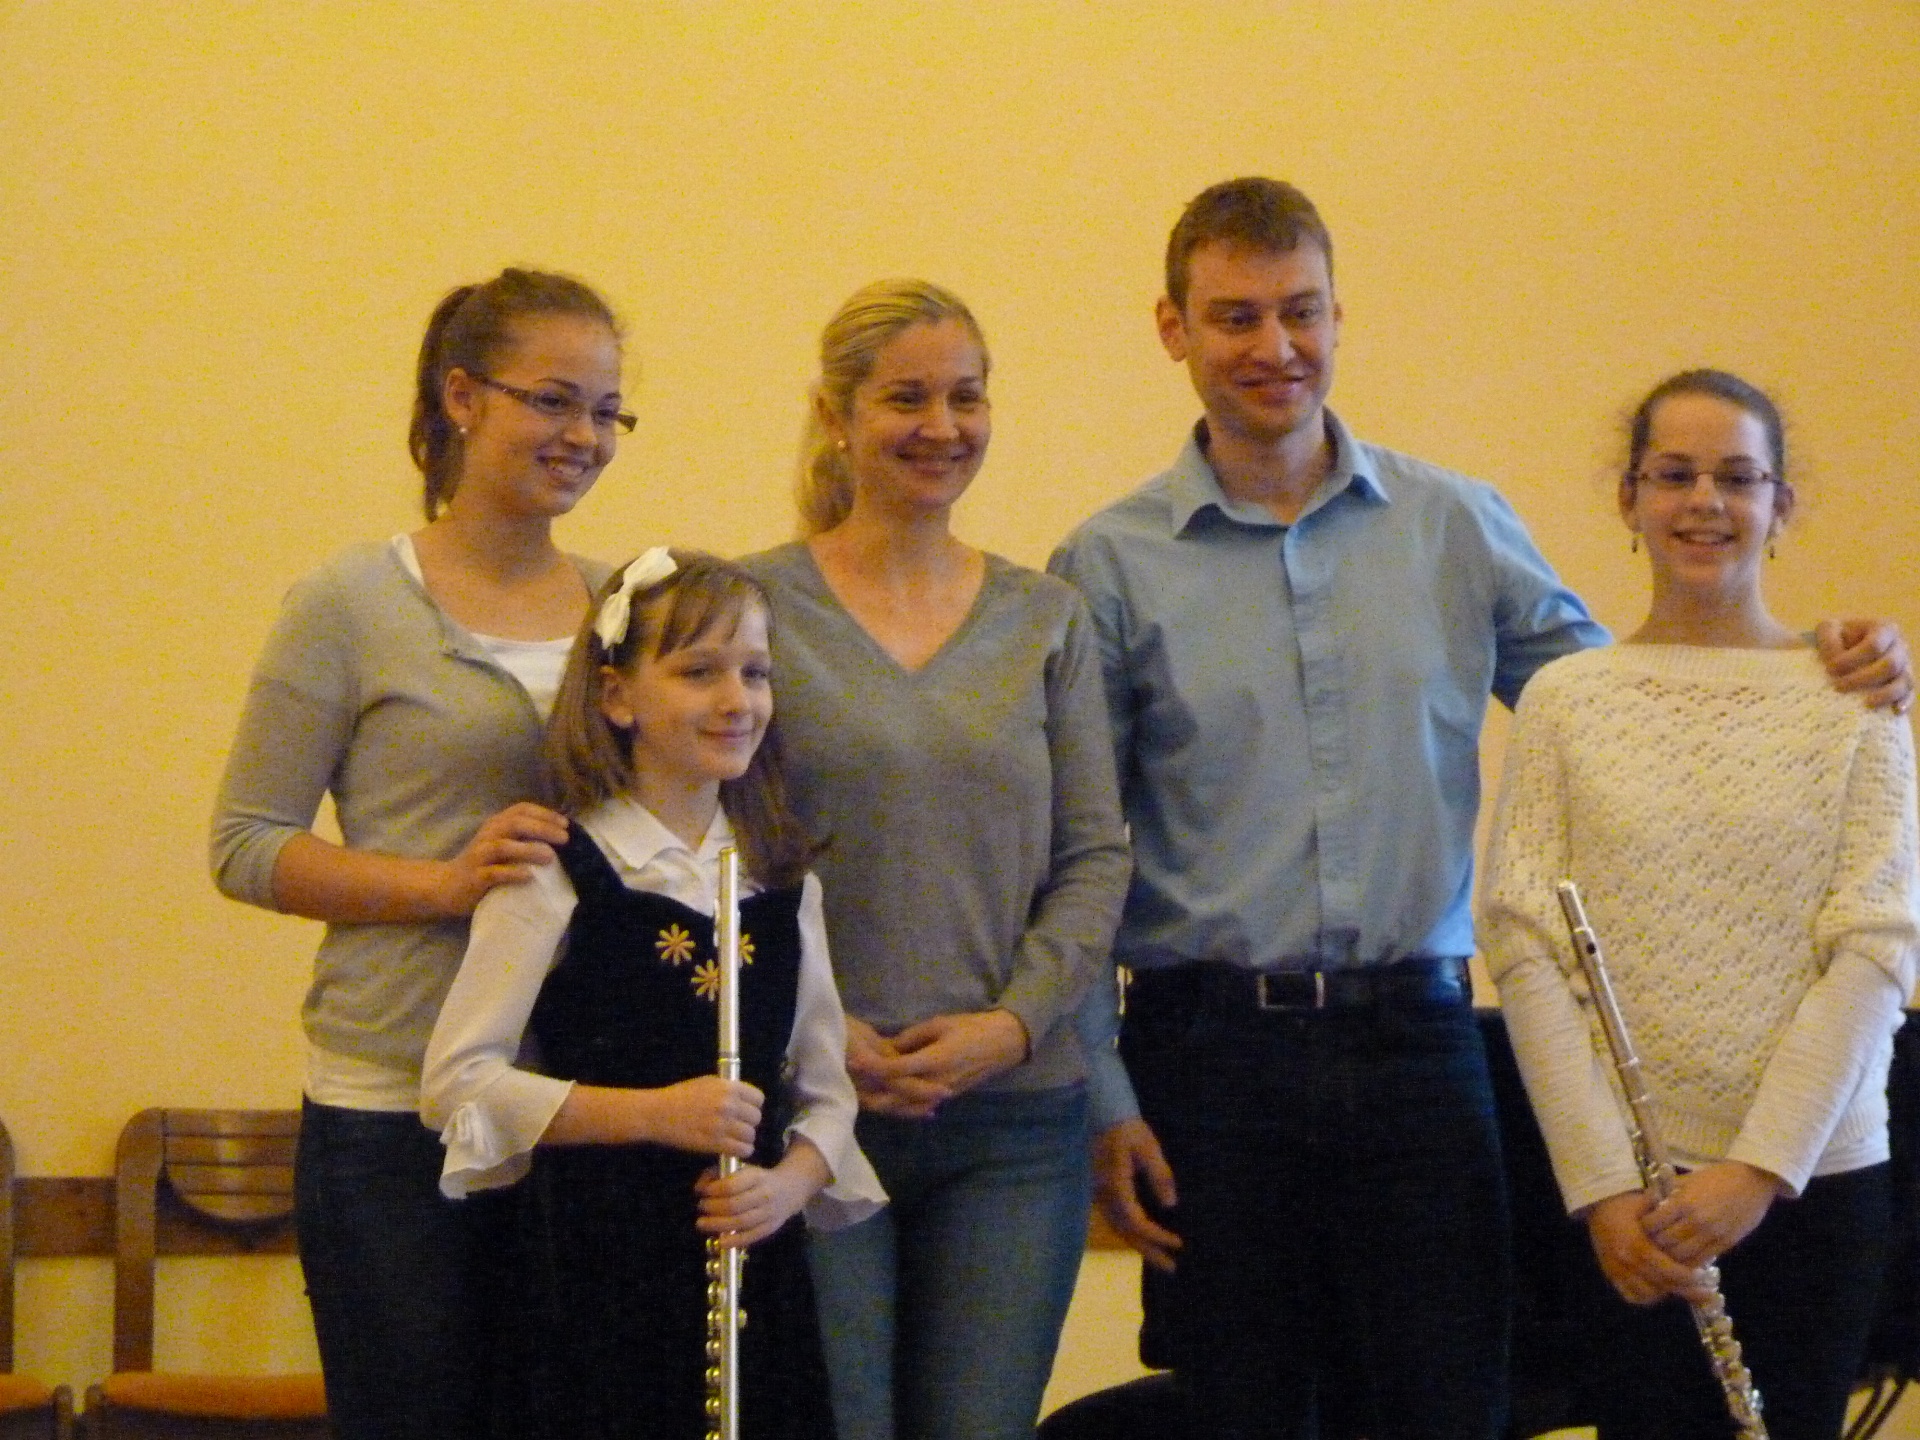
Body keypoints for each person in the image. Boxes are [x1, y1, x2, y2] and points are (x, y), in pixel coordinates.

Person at [1047, 178, 1914, 1440]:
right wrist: (1107, 1094)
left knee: (1450, 1406)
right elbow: (1081, 847)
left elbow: (1638, 701)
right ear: (1173, 328)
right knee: (1239, 1411)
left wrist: (1824, 657)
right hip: (1208, 1055)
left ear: (1338, 315)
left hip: (1420, 1045)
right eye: (1236, 317)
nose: (1276, 346)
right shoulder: (1110, 563)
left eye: (1301, 311)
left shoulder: (1454, 524)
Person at [210, 268, 629, 1439]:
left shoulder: (625, 607)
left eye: (607, 412)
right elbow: (245, 845)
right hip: (395, 1104)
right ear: (461, 397)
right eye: (554, 400)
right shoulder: (349, 601)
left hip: (580, 1095)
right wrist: (442, 885)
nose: (584, 437)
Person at [1481, 370, 1919, 1440]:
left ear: (1781, 504)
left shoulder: (1856, 699)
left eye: (1737, 477)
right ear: (1629, 498)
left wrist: (1757, 1171)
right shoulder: (1566, 699)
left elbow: (1876, 946)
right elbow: (1525, 945)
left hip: (1816, 1182)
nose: (1704, 501)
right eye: (1673, 474)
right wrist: (1603, 1189)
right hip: (1632, 1201)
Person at [740, 279, 1131, 1440]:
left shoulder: (1047, 616)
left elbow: (1095, 857)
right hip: (816, 1111)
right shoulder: (751, 605)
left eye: (967, 397)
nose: (942, 427)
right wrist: (817, 1031)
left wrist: (1011, 1026)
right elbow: (715, 855)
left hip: (1015, 1125)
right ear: (835, 414)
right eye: (906, 398)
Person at [420, 548, 884, 1440]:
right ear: (617, 696)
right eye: (699, 672)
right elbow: (456, 1084)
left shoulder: (783, 881)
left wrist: (788, 1187)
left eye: (755, 673)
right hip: (595, 1269)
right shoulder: (556, 870)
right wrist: (652, 1114)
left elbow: (827, 1094)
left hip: (752, 1265)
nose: (737, 700)